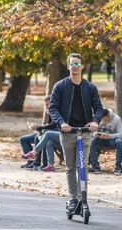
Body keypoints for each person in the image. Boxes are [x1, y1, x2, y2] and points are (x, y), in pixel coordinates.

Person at [49, 53, 103, 214]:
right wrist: (62, 123)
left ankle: (83, 197)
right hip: (68, 132)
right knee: (71, 167)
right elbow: (53, 107)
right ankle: (73, 198)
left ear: (82, 66)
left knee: (83, 166)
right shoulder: (60, 86)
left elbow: (99, 108)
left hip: (85, 132)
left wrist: (95, 122)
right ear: (68, 67)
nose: (75, 67)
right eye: (72, 64)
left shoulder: (90, 87)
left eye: (77, 64)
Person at [19, 95, 56, 170]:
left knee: (38, 137)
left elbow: (52, 126)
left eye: (49, 104)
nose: (47, 106)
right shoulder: (47, 112)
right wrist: (35, 127)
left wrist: (38, 127)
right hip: (42, 133)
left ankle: (37, 162)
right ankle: (31, 162)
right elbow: (45, 126)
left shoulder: (55, 112)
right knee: (23, 139)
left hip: (50, 134)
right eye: (45, 104)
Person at [89, 108, 122, 176]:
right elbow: (90, 131)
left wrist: (109, 136)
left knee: (119, 142)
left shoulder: (117, 119)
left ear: (108, 116)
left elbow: (121, 134)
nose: (103, 121)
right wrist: (94, 134)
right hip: (100, 140)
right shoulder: (97, 118)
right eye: (102, 120)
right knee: (92, 141)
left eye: (104, 120)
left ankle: (118, 167)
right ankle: (95, 166)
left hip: (111, 141)